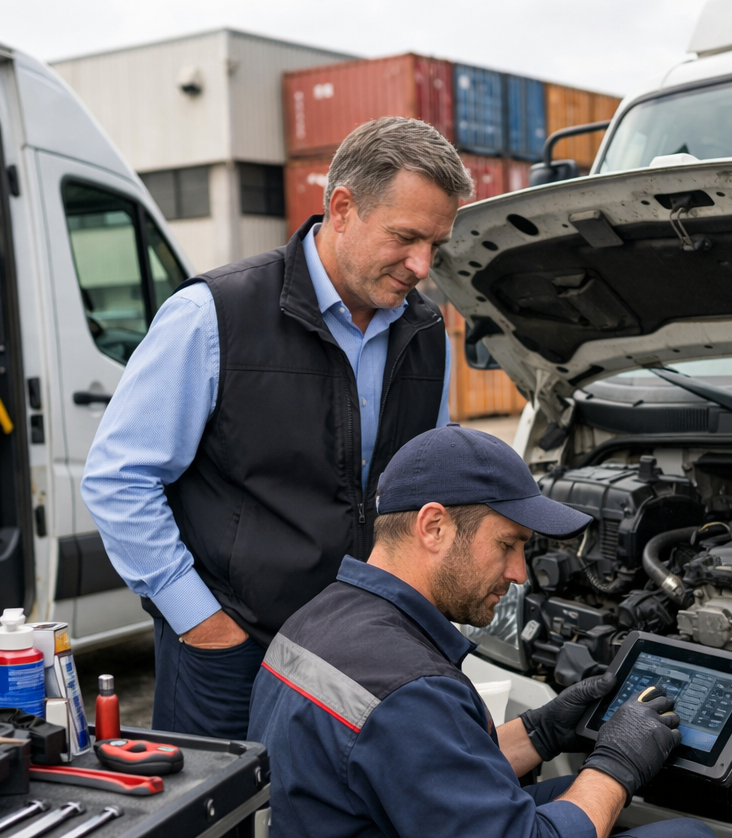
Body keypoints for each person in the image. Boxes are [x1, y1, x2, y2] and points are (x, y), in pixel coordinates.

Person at [251, 425, 732, 838]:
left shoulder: (323, 621)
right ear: (434, 527)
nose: (520, 573)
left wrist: (542, 731)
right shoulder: (407, 683)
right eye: (508, 544)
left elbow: (415, 775)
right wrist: (615, 765)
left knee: (568, 802)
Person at [81, 117, 472, 738]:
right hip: (230, 654)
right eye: (406, 238)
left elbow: (425, 491)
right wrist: (202, 624)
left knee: (334, 832)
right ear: (342, 208)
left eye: (436, 245)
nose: (423, 265)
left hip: (361, 655)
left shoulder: (425, 335)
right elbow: (118, 480)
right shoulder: (212, 315)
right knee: (228, 830)